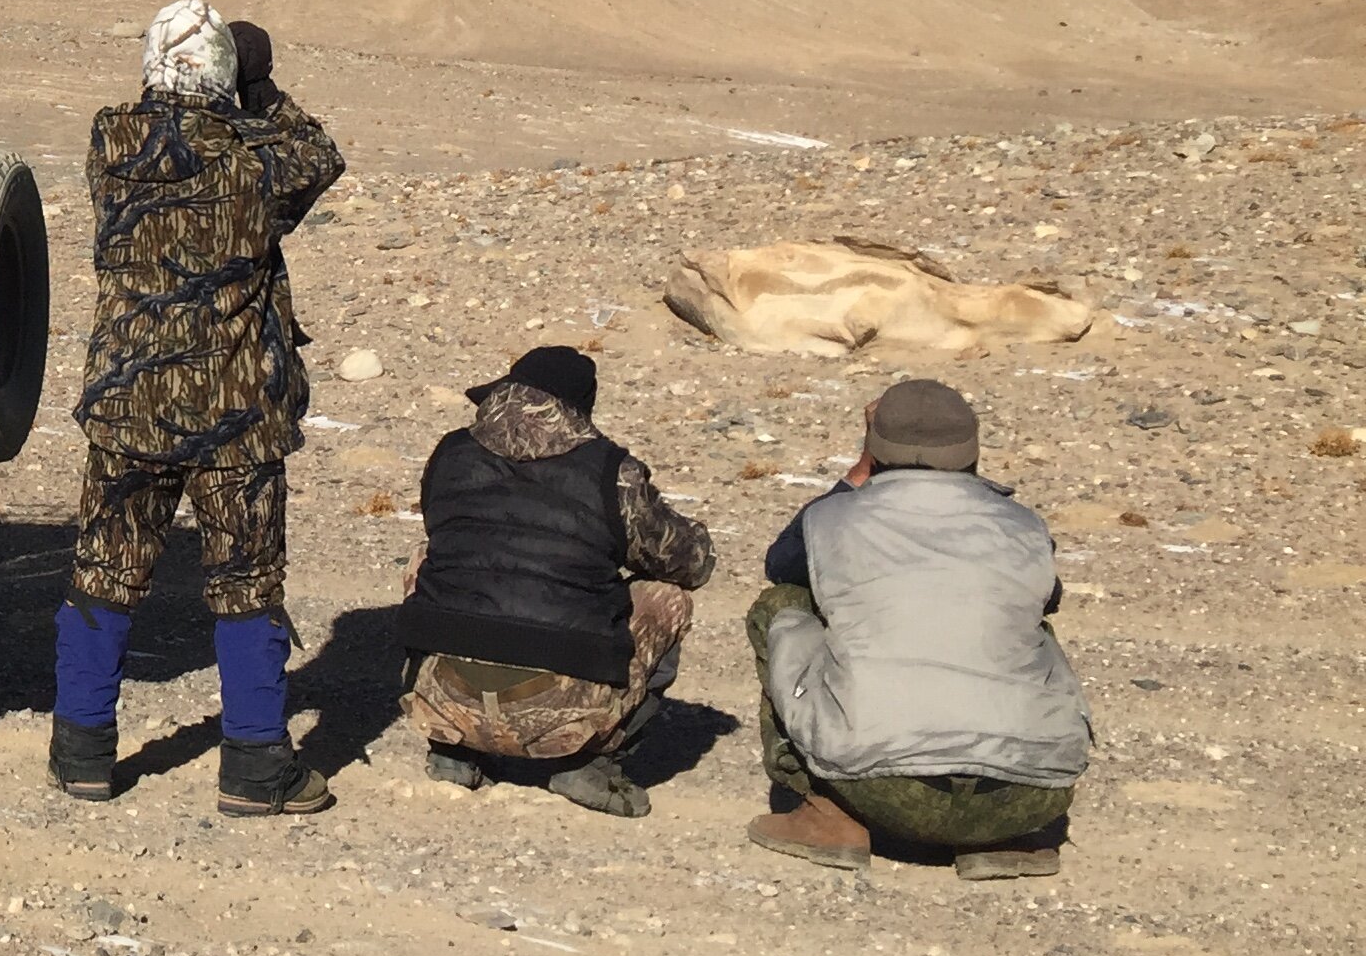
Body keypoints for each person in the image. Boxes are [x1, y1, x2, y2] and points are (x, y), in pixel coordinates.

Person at [52, 0, 344, 815]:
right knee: (246, 584)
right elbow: (319, 154)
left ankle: (82, 751)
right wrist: (263, 86)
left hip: (126, 408)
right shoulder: (253, 164)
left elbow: (164, 130)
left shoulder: (109, 144)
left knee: (104, 570)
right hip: (234, 417)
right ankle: (254, 765)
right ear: (225, 77)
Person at [745, 379, 1090, 877]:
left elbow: (782, 565)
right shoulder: (1024, 525)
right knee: (1030, 628)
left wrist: (861, 469)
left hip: (881, 787)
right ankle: (1003, 842)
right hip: (1030, 793)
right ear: (972, 447)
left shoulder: (833, 519)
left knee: (782, 606)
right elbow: (1046, 597)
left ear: (875, 445)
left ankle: (827, 814)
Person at [395, 345, 713, 817]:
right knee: (667, 598)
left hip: (447, 695)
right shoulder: (612, 471)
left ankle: (454, 747)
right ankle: (594, 758)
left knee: (428, 559)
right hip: (561, 707)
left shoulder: (451, 452)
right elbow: (689, 564)